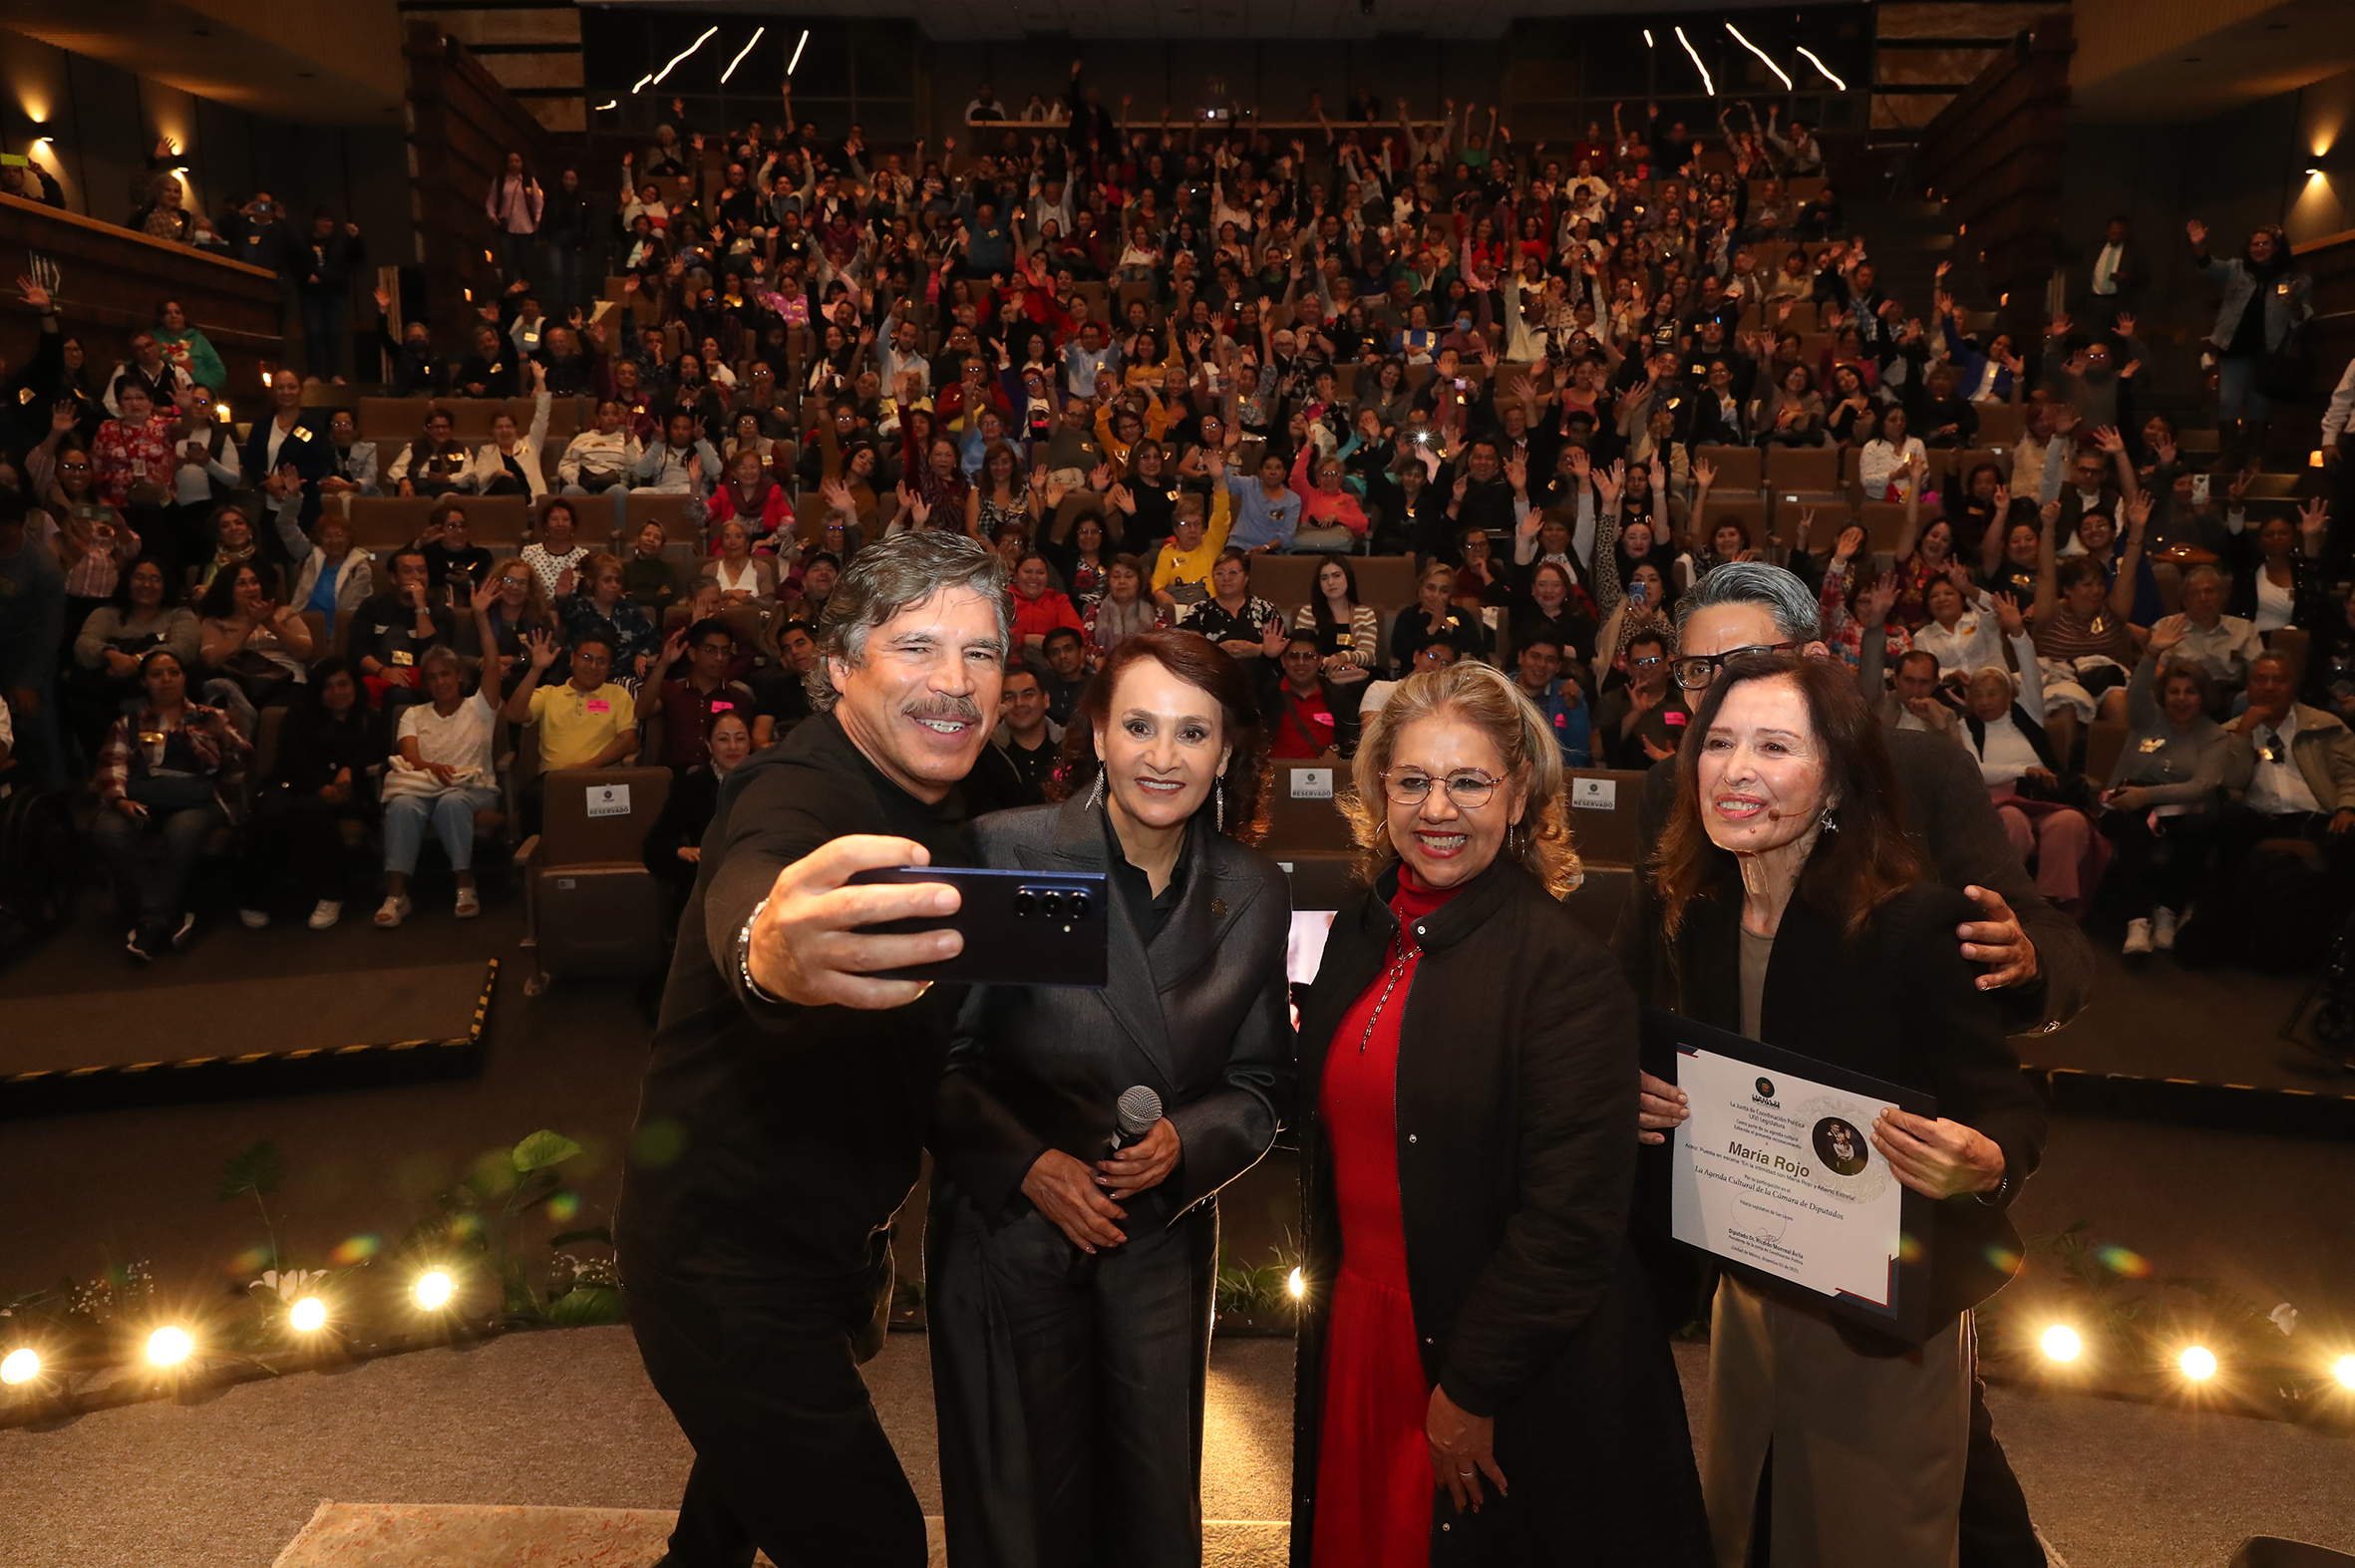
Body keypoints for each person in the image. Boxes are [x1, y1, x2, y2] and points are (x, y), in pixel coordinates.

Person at [613, 530, 1013, 1568]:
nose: (956, 681)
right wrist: (769, 951)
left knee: (739, 1495)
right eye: (917, 646)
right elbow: (762, 884)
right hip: (721, 1265)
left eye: (980, 652)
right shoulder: (796, 789)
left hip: (827, 1243)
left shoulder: (955, 798)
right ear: (839, 666)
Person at [1292, 658, 1708, 1568]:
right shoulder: (1362, 929)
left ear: (1519, 795)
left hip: (1488, 1354)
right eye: (1413, 780)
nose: (1437, 808)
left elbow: (1569, 1225)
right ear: (1380, 789)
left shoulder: (1564, 972)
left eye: (1470, 782)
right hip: (1362, 1326)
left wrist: (1471, 1386)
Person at [1642, 652, 2046, 1567]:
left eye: (1774, 746)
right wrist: (1651, 1097)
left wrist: (1983, 1161)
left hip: (1881, 1319)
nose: (1735, 769)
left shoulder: (1913, 924)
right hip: (1751, 1297)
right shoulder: (1700, 913)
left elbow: (2011, 1110)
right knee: (1747, 1529)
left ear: (1835, 781)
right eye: (1718, 743)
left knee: (1872, 1538)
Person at [930, 628, 1293, 1568]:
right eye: (1139, 725)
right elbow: (937, 1060)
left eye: (1192, 733)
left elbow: (1260, 1084)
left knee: (1150, 1515)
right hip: (1009, 1235)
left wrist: (1187, 1141)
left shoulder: (1255, 890)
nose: (1162, 756)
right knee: (1021, 1518)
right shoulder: (1006, 851)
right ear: (1097, 733)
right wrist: (1028, 1163)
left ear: (1226, 753)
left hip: (1157, 1243)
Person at [91, 648, 251, 960]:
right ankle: (166, 915)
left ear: (184, 678)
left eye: (173, 672)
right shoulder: (128, 724)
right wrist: (120, 801)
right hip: (142, 798)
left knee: (184, 829)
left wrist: (224, 736)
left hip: (196, 800)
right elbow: (111, 766)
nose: (167, 679)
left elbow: (244, 764)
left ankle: (151, 921)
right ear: (144, 682)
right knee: (106, 830)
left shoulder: (210, 717)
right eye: (157, 674)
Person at [2102, 627, 2233, 959]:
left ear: (2203, 696)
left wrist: (2146, 796)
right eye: (2174, 691)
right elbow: (2136, 693)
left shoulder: (2215, 736)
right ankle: (2136, 920)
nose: (2181, 698)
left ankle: (2168, 910)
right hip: (2129, 803)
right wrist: (2151, 654)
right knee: (2134, 826)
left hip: (2181, 808)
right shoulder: (2148, 719)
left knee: (2200, 828)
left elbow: (2203, 785)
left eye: (2190, 691)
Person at [378, 603, 508, 928]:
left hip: (473, 789)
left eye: (446, 674)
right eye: (432, 677)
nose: (440, 682)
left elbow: (493, 663)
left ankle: (464, 883)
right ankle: (396, 894)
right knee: (401, 805)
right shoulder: (413, 714)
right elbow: (410, 758)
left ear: (459, 675)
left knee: (452, 801)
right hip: (424, 788)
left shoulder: (480, 707)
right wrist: (434, 768)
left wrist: (481, 616)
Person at [237, 658, 382, 931]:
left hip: (346, 792)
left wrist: (349, 769)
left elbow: (374, 750)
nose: (337, 691)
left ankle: (331, 894)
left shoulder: (370, 718)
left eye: (343, 684)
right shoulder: (298, 716)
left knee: (312, 810)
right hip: (293, 783)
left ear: (355, 686)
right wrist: (320, 786)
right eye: (328, 686)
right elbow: (293, 758)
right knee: (269, 811)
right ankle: (256, 896)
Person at [638, 618, 758, 774]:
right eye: (710, 650)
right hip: (675, 776)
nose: (719, 657)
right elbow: (641, 711)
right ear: (692, 654)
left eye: (725, 651)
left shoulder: (739, 698)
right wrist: (663, 664)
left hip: (719, 776)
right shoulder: (671, 690)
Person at [1593, 629, 1691, 768]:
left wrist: (1673, 760)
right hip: (1624, 777)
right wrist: (1634, 714)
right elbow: (1596, 752)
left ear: (1667, 664)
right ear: (1628, 667)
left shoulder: (1686, 702)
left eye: (1653, 661)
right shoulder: (1611, 701)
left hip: (1672, 775)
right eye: (1638, 662)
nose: (1646, 667)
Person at [1263, 630, 1361, 759]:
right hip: (1277, 769)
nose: (1301, 662)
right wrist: (1265, 657)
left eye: (1308, 656)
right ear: (1283, 661)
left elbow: (1352, 738)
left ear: (1320, 661)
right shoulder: (1269, 694)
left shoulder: (1339, 696)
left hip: (1325, 770)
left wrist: (1337, 751)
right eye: (1293, 656)